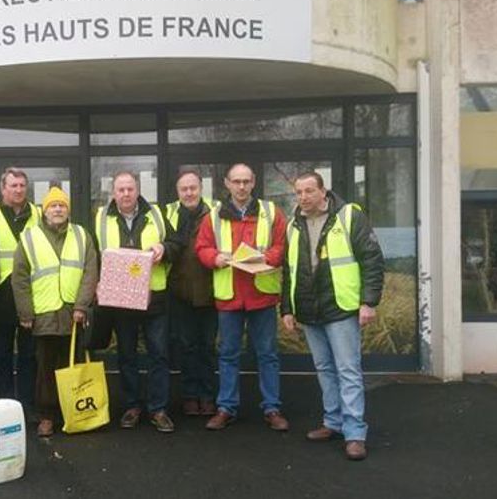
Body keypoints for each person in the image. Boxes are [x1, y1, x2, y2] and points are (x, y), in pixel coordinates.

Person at [281, 171, 384, 461]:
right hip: (310, 310)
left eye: (309, 191)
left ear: (323, 191)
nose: (303, 197)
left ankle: (354, 434)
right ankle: (333, 422)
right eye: (298, 192)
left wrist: (369, 302)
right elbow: (288, 272)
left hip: (341, 307)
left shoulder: (349, 216)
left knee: (348, 370)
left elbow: (372, 260)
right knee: (325, 370)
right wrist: (287, 309)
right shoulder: (293, 225)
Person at [195, 163, 289, 432]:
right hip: (230, 296)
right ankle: (226, 407)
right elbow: (201, 247)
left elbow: (281, 247)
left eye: (246, 181)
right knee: (228, 355)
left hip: (262, 295)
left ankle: (272, 408)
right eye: (236, 181)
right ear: (226, 183)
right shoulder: (213, 216)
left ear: (254, 182)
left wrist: (266, 257)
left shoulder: (271, 213)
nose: (241, 186)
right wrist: (215, 258)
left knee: (268, 355)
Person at [95, 171, 180, 433]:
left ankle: (158, 409)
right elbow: (93, 254)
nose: (126, 194)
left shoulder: (156, 214)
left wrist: (164, 248)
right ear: (113, 193)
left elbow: (177, 243)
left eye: (130, 189)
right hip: (121, 301)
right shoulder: (100, 217)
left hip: (154, 298)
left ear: (138, 190)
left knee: (159, 355)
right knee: (127, 356)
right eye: (120, 190)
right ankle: (132, 406)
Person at [12, 187, 98, 437]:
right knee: (46, 368)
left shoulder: (82, 235)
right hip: (44, 314)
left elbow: (90, 272)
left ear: (68, 209)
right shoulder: (29, 237)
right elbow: (19, 279)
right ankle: (47, 416)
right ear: (44, 210)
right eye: (53, 206)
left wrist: (82, 305)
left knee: (73, 364)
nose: (58, 209)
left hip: (74, 314)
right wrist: (25, 313)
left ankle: (74, 412)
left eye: (62, 205)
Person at [0, 168, 42, 411]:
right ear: (3, 188)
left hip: (31, 294)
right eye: (13, 185)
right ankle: (6, 404)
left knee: (29, 355)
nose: (18, 190)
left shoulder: (39, 214)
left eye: (22, 185)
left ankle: (27, 404)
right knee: (2, 355)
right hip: (0, 296)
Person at [164, 168, 218, 417]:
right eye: (184, 189)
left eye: (193, 188)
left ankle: (207, 395)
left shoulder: (216, 213)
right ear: (177, 192)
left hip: (211, 293)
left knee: (207, 347)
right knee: (186, 347)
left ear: (201, 188)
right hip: (180, 293)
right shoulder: (167, 214)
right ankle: (189, 396)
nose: (189, 193)